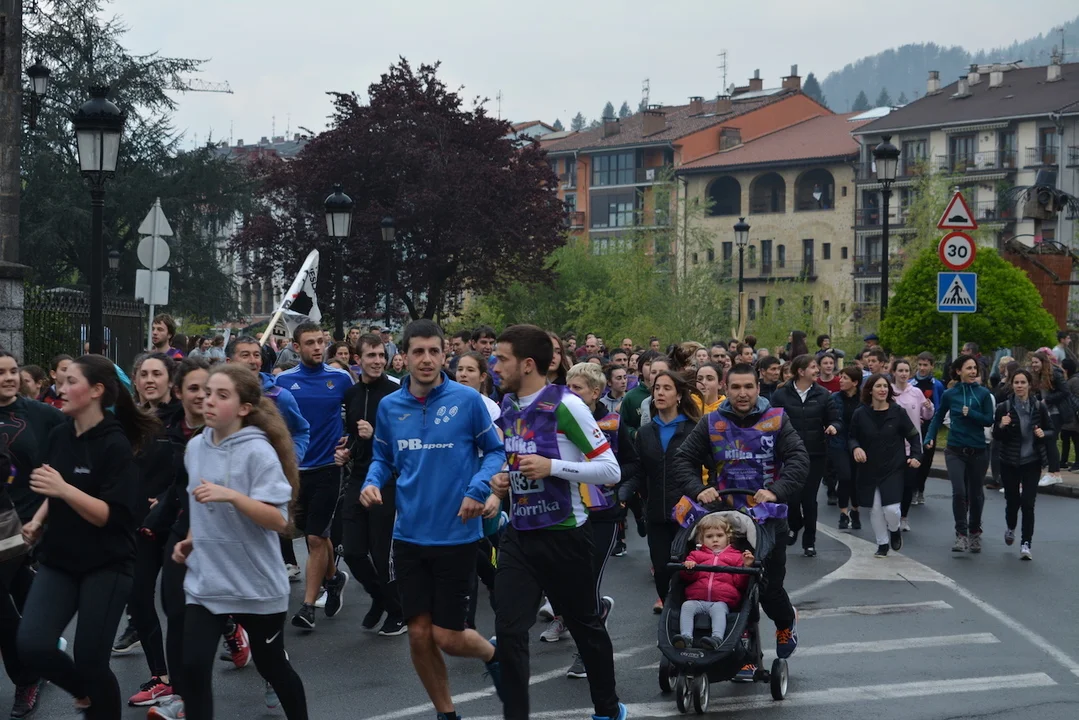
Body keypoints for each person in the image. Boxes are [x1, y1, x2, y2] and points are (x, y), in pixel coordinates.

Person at [360, 320, 503, 720]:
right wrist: (371, 483)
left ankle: (495, 655)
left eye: (434, 351)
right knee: (420, 635)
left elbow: (495, 452)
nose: (426, 359)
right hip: (408, 536)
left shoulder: (467, 400)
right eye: (418, 351)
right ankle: (446, 713)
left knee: (448, 637)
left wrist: (478, 490)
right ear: (404, 356)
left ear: (444, 355)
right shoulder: (390, 406)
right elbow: (383, 458)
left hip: (457, 535)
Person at [489, 325, 624, 720]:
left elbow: (610, 470)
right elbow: (513, 461)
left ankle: (608, 709)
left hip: (565, 534)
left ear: (528, 364)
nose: (494, 366)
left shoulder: (567, 405)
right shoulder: (508, 406)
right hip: (519, 535)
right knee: (509, 629)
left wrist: (553, 467)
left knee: (585, 627)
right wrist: (501, 479)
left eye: (502, 359)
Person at [18, 354, 159, 720]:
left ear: (96, 390)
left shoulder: (115, 444)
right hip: (59, 558)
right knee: (32, 645)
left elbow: (110, 516)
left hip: (107, 562)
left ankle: (96, 700)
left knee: (91, 661)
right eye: (60, 381)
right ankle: (83, 692)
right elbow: (54, 485)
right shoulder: (59, 434)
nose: (60, 388)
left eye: (70, 382)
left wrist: (64, 490)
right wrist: (38, 520)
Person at [172, 365, 308, 720]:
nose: (208, 400)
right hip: (207, 582)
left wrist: (231, 495)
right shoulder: (194, 447)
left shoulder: (258, 452)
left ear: (244, 408)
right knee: (192, 668)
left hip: (255, 584)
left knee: (272, 666)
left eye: (221, 395)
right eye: (206, 393)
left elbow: (278, 520)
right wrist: (191, 539)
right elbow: (200, 506)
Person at [670, 363, 808, 681]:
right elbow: (683, 460)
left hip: (768, 520)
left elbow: (799, 459)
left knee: (769, 589)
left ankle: (786, 623)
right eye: (735, 387)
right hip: (726, 520)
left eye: (748, 387)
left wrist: (776, 491)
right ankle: (745, 658)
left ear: (758, 388)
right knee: (731, 590)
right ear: (725, 388)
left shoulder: (777, 419)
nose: (742, 393)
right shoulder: (711, 422)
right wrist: (698, 489)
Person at [143, 357, 211, 720]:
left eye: (207, 389)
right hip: (181, 530)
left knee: (242, 614)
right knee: (175, 610)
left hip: (224, 536)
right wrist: (156, 517)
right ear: (179, 392)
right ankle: (182, 696)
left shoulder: (226, 432)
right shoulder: (169, 429)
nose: (201, 396)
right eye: (193, 388)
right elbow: (176, 486)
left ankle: (270, 669)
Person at [560, 361, 637, 676]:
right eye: (568, 387)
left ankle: (585, 651)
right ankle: (596, 611)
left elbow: (631, 464)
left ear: (595, 393)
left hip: (603, 514)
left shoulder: (613, 422)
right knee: (565, 582)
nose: (571, 393)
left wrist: (619, 491)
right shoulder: (558, 418)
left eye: (577, 388)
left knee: (587, 581)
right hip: (565, 512)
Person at [0, 352, 65, 718]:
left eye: (13, 371)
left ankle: (27, 677)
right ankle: (42, 653)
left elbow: (77, 437)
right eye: (1, 373)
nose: (9, 378)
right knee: (24, 597)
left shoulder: (40, 414)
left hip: (27, 526)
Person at [276, 324, 352, 630]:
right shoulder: (283, 382)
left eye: (321, 342)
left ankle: (308, 607)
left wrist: (349, 439)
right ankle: (333, 578)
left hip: (328, 468)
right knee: (313, 533)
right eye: (310, 343)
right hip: (295, 471)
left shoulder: (340, 378)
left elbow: (357, 414)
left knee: (315, 537)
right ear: (296, 347)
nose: (318, 347)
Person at [336, 333, 406, 637]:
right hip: (359, 477)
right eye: (371, 356)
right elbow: (354, 435)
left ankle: (398, 612)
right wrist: (347, 450)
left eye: (381, 355)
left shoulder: (396, 394)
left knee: (381, 553)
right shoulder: (351, 394)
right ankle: (381, 598)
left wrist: (374, 433)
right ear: (358, 359)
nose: (378, 361)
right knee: (351, 550)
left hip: (388, 479)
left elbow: (405, 441)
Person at [621, 370, 702, 615]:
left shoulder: (694, 429)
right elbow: (638, 471)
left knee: (687, 567)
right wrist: (622, 494)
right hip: (656, 512)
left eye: (667, 388)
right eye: (657, 388)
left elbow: (711, 465)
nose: (660, 393)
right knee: (661, 569)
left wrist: (708, 493)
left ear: (679, 395)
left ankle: (684, 613)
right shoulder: (645, 432)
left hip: (688, 513)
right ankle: (669, 606)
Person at [769, 354, 839, 558]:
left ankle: (809, 541)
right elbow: (771, 421)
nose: (817, 370)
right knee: (791, 497)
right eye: (813, 367)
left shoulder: (823, 395)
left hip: (815, 454)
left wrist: (833, 426)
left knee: (809, 499)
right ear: (801, 371)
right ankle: (795, 524)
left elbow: (835, 419)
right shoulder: (780, 395)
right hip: (788, 455)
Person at [924, 355, 995, 553]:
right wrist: (929, 436)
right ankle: (961, 534)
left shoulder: (983, 393)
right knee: (959, 492)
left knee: (976, 494)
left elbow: (989, 420)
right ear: (958, 371)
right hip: (955, 449)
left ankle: (975, 532)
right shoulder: (950, 394)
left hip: (978, 450)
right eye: (968, 368)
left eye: (975, 368)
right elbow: (938, 417)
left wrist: (970, 413)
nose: (973, 372)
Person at [849, 374, 923, 558]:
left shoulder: (898, 412)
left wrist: (916, 456)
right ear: (870, 390)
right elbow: (851, 437)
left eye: (885, 386)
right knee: (875, 508)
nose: (882, 389)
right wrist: (856, 448)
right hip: (869, 468)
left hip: (893, 467)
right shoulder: (860, 413)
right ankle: (882, 543)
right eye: (878, 386)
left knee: (891, 509)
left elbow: (914, 436)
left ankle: (894, 529)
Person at [993, 369, 1050, 561]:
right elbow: (996, 435)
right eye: (1016, 382)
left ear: (1029, 385)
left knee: (1028, 503)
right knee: (1012, 501)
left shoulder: (1039, 407)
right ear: (1012, 385)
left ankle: (1026, 543)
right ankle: (1011, 527)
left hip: (1032, 461)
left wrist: (1043, 433)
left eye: (1023, 382)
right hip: (1009, 461)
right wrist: (1002, 424)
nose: (1019, 386)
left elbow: (1051, 431)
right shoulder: (1004, 407)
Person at [673, 515, 754, 650]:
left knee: (718, 610)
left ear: (728, 537)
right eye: (709, 536)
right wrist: (689, 569)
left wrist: (746, 567)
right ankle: (685, 637)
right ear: (701, 540)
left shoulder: (736, 557)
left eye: (719, 535)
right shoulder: (696, 555)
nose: (715, 539)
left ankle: (716, 638)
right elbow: (687, 579)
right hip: (697, 599)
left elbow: (740, 583)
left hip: (722, 600)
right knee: (687, 606)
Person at [890, 359, 933, 533]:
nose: (903, 374)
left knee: (908, 484)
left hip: (913, 446)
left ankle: (904, 517)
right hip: (892, 446)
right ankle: (891, 515)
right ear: (894, 372)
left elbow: (927, 415)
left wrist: (929, 407)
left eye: (906, 371)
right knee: (893, 484)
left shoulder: (916, 392)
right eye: (900, 370)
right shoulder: (888, 391)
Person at [830, 367, 863, 530]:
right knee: (845, 477)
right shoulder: (834, 398)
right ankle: (843, 513)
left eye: (845, 378)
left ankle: (855, 511)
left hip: (858, 444)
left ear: (855, 382)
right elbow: (830, 417)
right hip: (839, 443)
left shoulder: (864, 399)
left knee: (856, 479)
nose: (840, 380)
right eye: (840, 377)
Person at [911, 352, 944, 506]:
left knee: (926, 460)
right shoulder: (911, 384)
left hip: (930, 428)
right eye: (920, 365)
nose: (922, 368)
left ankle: (920, 489)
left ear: (932, 366)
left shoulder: (937, 385)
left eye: (925, 365)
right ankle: (911, 489)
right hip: (913, 427)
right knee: (913, 457)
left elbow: (940, 406)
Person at [1028, 351, 1066, 485]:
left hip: (1056, 412)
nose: (1034, 365)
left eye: (1036, 362)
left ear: (1043, 362)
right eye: (1032, 362)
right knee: (1047, 441)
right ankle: (1053, 472)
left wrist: (1047, 400)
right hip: (1047, 412)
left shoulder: (1054, 373)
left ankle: (1054, 473)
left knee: (1050, 440)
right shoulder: (1039, 375)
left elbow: (1065, 391)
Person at [620, 350, 659, 437]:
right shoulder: (631, 397)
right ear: (640, 370)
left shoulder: (670, 393)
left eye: (656, 364)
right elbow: (623, 425)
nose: (652, 368)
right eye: (648, 364)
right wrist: (635, 434)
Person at [456, 351, 500, 421]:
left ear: (482, 376)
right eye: (460, 369)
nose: (463, 374)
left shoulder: (491, 408)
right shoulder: (445, 401)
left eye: (470, 370)